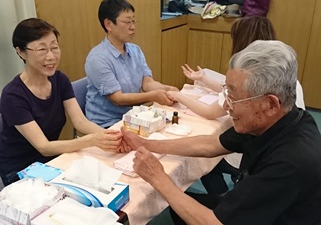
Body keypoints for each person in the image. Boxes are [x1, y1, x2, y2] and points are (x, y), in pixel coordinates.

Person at [121, 40, 321, 224]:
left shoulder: (290, 162)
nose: (226, 105)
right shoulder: (278, 120)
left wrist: (157, 177)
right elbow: (209, 144)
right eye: (227, 93)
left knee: (179, 205)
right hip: (261, 205)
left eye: (234, 97)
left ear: (270, 104)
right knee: (179, 209)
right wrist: (146, 144)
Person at [167, 15, 306, 195]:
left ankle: (221, 198)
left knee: (204, 162)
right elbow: (243, 92)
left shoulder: (283, 161)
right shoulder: (283, 77)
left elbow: (211, 113)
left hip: (252, 155)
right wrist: (204, 79)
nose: (229, 104)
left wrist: (179, 96)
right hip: (271, 149)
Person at [0, 18, 128, 186]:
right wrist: (91, 141)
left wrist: (112, 138)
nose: (51, 56)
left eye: (54, 47)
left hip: (53, 160)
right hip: (21, 169)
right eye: (41, 50)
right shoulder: (12, 95)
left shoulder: (59, 80)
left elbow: (80, 122)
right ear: (21, 52)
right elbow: (43, 146)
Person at [84, 0, 178, 128]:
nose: (133, 27)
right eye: (127, 22)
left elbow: (147, 83)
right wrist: (153, 96)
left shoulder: (135, 51)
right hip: (106, 124)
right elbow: (117, 99)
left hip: (132, 117)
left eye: (134, 21)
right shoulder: (98, 58)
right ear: (108, 24)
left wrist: (166, 89)